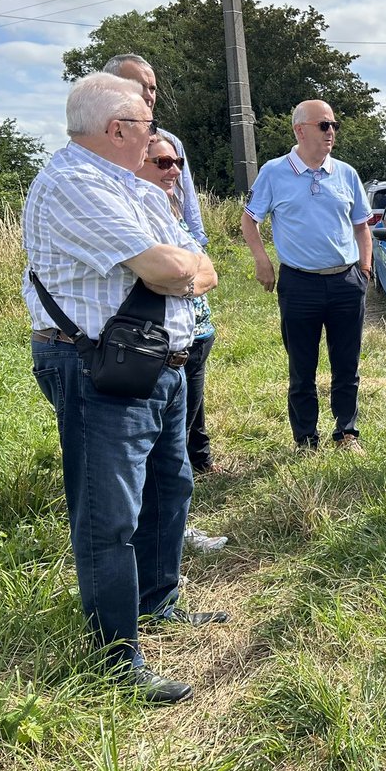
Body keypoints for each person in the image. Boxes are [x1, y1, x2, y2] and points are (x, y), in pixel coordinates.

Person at [23, 72, 229, 705]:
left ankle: (157, 602)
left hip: (155, 361)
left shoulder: (130, 186)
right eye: (146, 125)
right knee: (110, 516)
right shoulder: (74, 183)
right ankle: (117, 658)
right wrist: (179, 266)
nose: (156, 137)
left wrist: (181, 267)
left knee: (171, 485)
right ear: (117, 130)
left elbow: (205, 269)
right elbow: (172, 266)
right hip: (99, 369)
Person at [241, 100, 373, 450]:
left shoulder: (345, 173)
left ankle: (347, 432)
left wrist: (364, 268)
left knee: (347, 363)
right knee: (302, 367)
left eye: (334, 125)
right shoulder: (274, 171)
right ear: (300, 130)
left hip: (345, 281)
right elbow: (249, 219)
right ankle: (306, 439)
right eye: (324, 125)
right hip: (299, 282)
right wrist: (262, 260)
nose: (331, 132)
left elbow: (362, 226)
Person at [136, 137, 228, 554]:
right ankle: (155, 535)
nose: (175, 170)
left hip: (194, 336)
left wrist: (182, 279)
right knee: (155, 447)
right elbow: (155, 278)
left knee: (178, 439)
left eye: (178, 161)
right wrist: (184, 274)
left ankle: (175, 530)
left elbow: (207, 272)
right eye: (163, 162)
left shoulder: (172, 210)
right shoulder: (129, 212)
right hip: (151, 346)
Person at [103, 54, 207, 246]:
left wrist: (198, 245)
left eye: (152, 88)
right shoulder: (93, 148)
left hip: (173, 251)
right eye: (139, 86)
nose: (148, 95)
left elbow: (186, 202)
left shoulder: (169, 142)